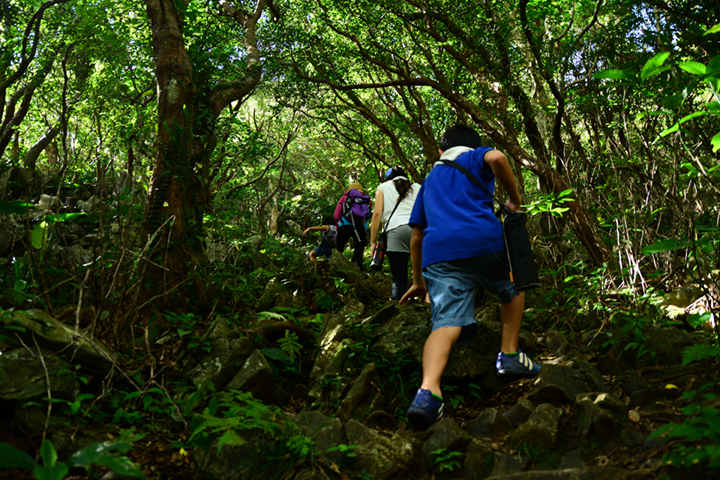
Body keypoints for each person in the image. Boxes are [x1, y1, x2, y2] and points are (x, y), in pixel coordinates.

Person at [400, 125, 541, 430]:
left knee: (445, 324)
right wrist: (514, 200)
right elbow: (499, 158)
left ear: (440, 151)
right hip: (483, 241)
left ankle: (428, 393)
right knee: (513, 284)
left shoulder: (428, 181)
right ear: (473, 145)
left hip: (439, 255)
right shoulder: (475, 156)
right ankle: (509, 353)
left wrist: (418, 282)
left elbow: (415, 237)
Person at [369, 166, 421, 300]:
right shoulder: (418, 187)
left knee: (399, 279)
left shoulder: (383, 187)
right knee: (423, 275)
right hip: (418, 230)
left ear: (389, 178)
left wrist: (373, 241)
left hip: (395, 230)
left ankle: (399, 312)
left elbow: (377, 214)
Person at [333, 182, 371, 269]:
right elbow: (367, 215)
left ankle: (335, 268)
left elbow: (336, 216)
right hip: (360, 227)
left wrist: (338, 226)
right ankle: (357, 270)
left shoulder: (343, 198)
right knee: (359, 250)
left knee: (339, 249)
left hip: (344, 226)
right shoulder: (366, 199)